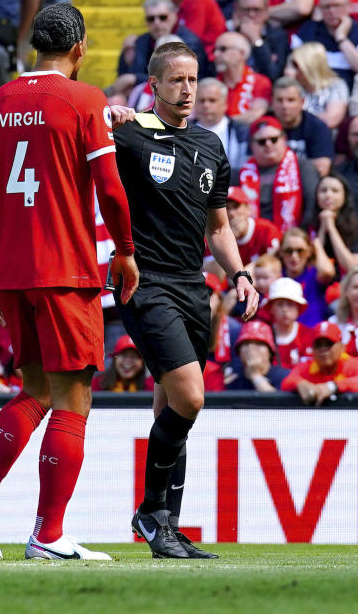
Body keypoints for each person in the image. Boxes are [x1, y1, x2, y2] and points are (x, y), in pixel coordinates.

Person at [0, 4, 139, 562]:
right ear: (79, 48)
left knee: (34, 390)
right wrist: (126, 252)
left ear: (34, 46)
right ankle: (48, 534)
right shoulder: (83, 100)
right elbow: (109, 187)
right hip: (65, 269)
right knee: (74, 398)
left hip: (13, 269)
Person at [112, 41, 257, 560]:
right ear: (153, 85)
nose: (188, 88)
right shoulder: (128, 135)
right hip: (145, 282)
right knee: (190, 398)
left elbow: (218, 227)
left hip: (193, 286)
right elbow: (80, 137)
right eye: (176, 80)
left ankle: (166, 525)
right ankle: (151, 512)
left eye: (193, 79)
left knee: (174, 408)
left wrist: (238, 273)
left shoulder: (210, 145)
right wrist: (106, 114)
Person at [110, 0, 209, 103]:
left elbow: (189, 78)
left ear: (174, 16)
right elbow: (128, 76)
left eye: (162, 17)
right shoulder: (142, 41)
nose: (157, 23)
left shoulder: (190, 42)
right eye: (151, 19)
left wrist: (136, 78)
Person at [238, 116, 319, 233]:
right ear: (252, 146)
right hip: (256, 241)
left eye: (274, 139)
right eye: (261, 141)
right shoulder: (242, 174)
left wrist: (296, 237)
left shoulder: (303, 167)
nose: (268, 144)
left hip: (293, 239)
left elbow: (311, 208)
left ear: (284, 139)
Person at [291, 0, 358, 91]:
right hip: (313, 93)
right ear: (320, 9)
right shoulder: (308, 31)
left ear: (349, 6)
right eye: (326, 7)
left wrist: (341, 38)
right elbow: (292, 69)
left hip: (353, 95)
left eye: (337, 6)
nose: (331, 11)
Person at [281, 320, 358, 404]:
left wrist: (332, 387)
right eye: (318, 345)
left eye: (329, 344)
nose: (323, 350)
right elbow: (287, 381)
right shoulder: (307, 367)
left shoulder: (353, 364)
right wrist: (299, 383)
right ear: (312, 350)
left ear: (341, 347)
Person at [271, 76, 333, 176]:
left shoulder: (317, 127)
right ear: (272, 102)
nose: (284, 106)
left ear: (302, 102)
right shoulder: (263, 126)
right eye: (279, 100)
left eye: (290, 100)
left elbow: (321, 169)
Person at [230, 0, 290, 83]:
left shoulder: (278, 37)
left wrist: (256, 39)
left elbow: (273, 76)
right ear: (237, 11)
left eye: (257, 10)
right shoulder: (227, 36)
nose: (251, 14)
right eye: (246, 10)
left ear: (266, 12)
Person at [284, 42, 348, 130]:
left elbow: (330, 120)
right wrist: (289, 83)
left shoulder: (336, 86)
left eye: (296, 65)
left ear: (310, 65)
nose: (289, 70)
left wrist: (296, 117)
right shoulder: (295, 86)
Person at [192, 79, 248, 176]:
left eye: (212, 100)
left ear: (225, 104)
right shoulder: (183, 131)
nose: (206, 105)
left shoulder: (240, 132)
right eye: (201, 101)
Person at [312, 172, 358, 274]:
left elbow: (352, 267)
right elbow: (311, 264)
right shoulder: (308, 224)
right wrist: (322, 228)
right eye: (323, 190)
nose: (328, 195)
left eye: (335, 191)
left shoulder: (356, 226)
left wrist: (331, 228)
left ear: (345, 196)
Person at [221, 186, 280, 266]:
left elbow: (276, 260)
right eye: (226, 208)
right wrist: (230, 241)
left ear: (248, 209)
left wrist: (247, 272)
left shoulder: (266, 229)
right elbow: (216, 274)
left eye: (236, 206)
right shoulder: (215, 235)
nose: (231, 213)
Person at [265, 277, 317, 368]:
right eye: (280, 304)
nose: (285, 310)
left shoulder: (309, 335)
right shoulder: (264, 335)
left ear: (299, 308)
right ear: (271, 308)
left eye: (290, 304)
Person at [227, 320, 287, 392]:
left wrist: (255, 375)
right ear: (239, 352)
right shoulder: (232, 383)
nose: (251, 349)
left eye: (259, 344)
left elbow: (275, 402)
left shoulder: (285, 378)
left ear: (270, 352)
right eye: (246, 343)